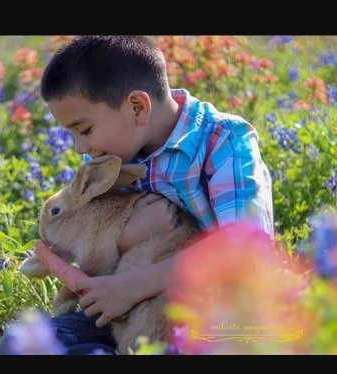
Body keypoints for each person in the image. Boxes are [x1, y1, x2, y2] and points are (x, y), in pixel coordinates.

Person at [39, 35, 274, 354]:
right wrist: (126, 237)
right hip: (128, 313)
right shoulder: (109, 157)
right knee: (34, 343)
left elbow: (246, 248)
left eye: (84, 130)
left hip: (214, 315)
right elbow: (91, 239)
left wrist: (135, 285)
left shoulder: (223, 143)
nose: (80, 147)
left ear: (137, 107)